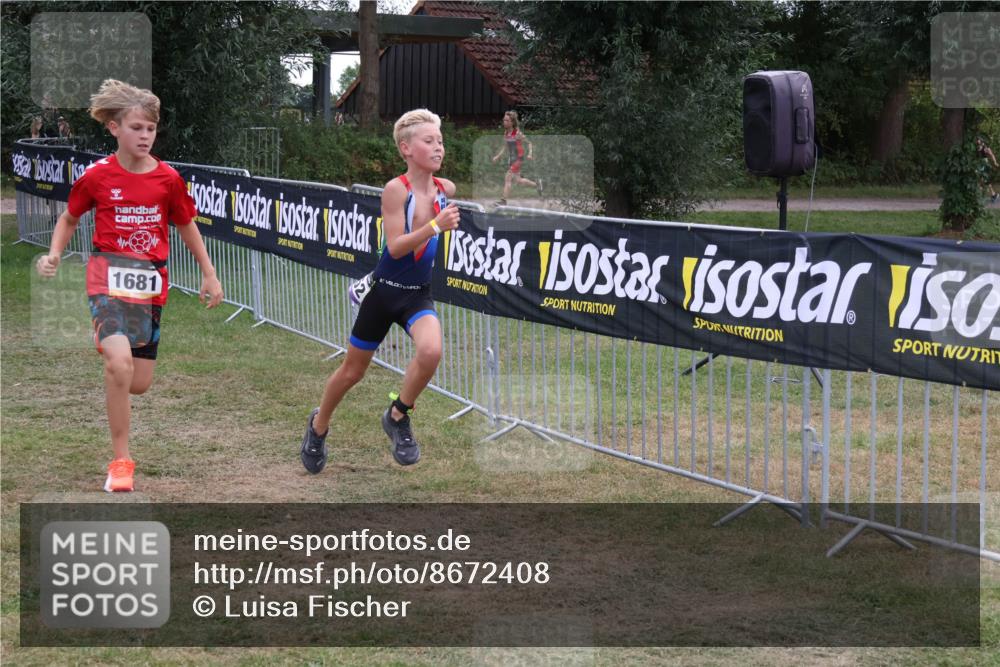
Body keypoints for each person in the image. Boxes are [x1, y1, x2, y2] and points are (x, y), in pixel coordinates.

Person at [35, 79, 224, 493]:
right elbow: (69, 218)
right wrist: (54, 253)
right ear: (115, 128)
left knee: (138, 382)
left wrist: (209, 273)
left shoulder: (168, 179)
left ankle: (115, 357)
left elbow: (186, 225)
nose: (144, 136)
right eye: (136, 127)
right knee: (117, 365)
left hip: (149, 286)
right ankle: (121, 461)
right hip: (106, 279)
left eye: (150, 129)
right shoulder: (97, 177)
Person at [302, 108, 460, 472]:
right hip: (384, 293)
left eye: (440, 141)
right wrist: (436, 226)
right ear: (406, 148)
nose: (438, 148)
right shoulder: (395, 190)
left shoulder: (445, 190)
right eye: (429, 141)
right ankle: (318, 424)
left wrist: (438, 223)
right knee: (352, 372)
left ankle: (397, 414)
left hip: (416, 293)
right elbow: (394, 248)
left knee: (431, 351)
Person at [491, 110, 542, 205]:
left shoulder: (517, 133)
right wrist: (497, 156)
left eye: (506, 120)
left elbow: (529, 143)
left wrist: (530, 154)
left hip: (519, 158)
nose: (504, 122)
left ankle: (503, 201)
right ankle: (537, 185)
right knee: (518, 181)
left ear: (512, 122)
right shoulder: (506, 133)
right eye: (504, 120)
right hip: (512, 159)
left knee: (508, 177)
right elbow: (505, 146)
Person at [976, 136, 999, 203]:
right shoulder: (976, 148)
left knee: (981, 180)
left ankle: (980, 196)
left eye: (978, 141)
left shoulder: (985, 148)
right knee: (982, 181)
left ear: (981, 142)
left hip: (983, 165)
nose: (977, 142)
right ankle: (993, 194)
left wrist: (995, 162)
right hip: (978, 164)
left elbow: (992, 155)